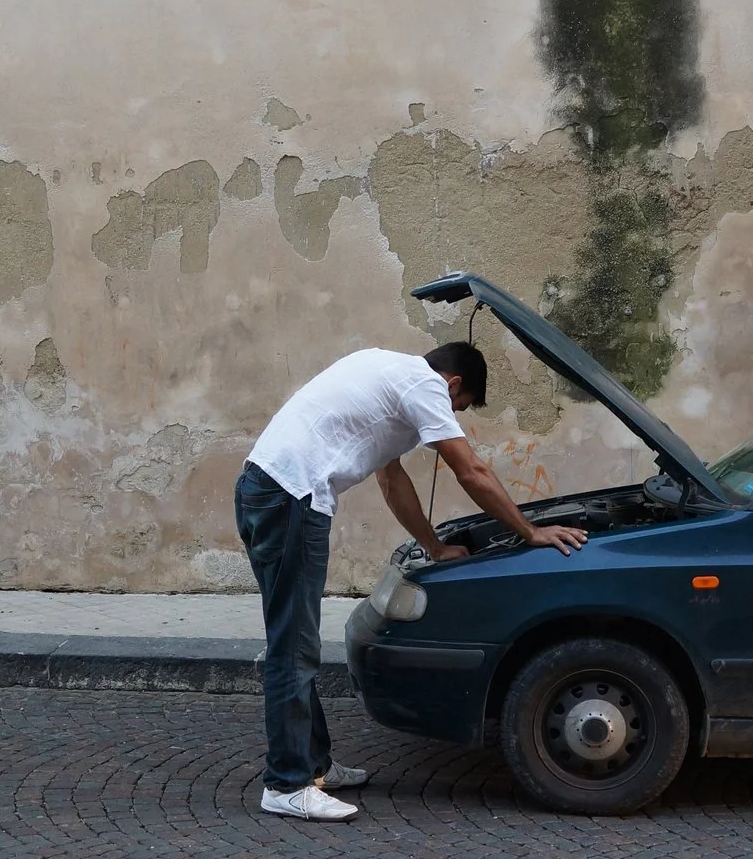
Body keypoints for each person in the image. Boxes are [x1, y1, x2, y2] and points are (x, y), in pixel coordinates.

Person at [237, 341, 588, 821]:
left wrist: (435, 546)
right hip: (291, 498)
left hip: (265, 490)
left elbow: (392, 481)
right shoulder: (425, 385)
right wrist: (530, 532)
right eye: (459, 407)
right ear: (454, 384)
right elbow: (471, 470)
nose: (451, 416)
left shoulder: (386, 371)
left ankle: (312, 764)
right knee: (293, 646)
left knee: (291, 638)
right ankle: (286, 783)